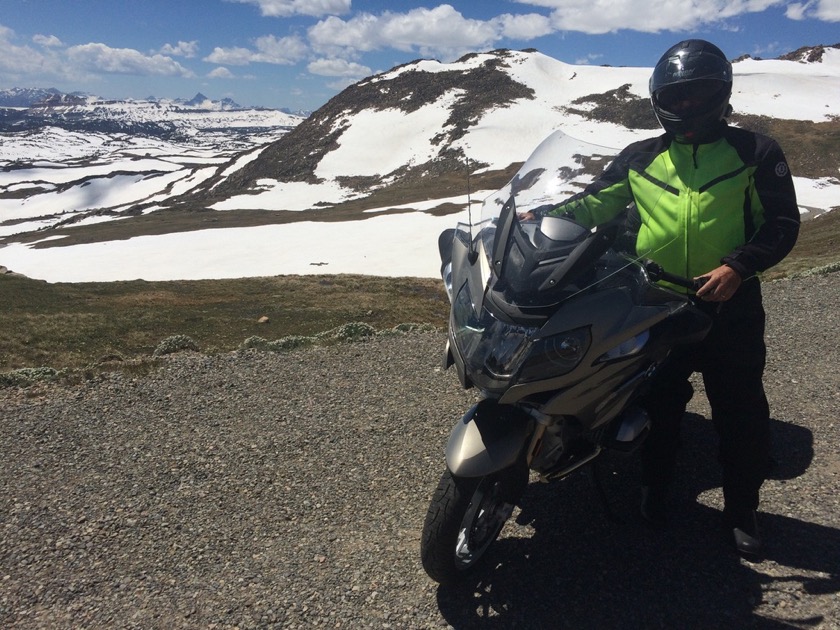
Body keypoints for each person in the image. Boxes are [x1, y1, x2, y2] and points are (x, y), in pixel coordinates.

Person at [530, 39, 800, 559]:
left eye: (698, 95)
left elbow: (782, 225)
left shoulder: (756, 153)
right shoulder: (640, 158)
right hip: (656, 301)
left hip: (730, 307)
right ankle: (655, 488)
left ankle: (743, 508)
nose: (687, 106)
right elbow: (594, 204)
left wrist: (738, 267)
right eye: (676, 97)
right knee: (657, 404)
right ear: (659, 101)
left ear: (721, 96)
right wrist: (537, 220)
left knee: (740, 411)